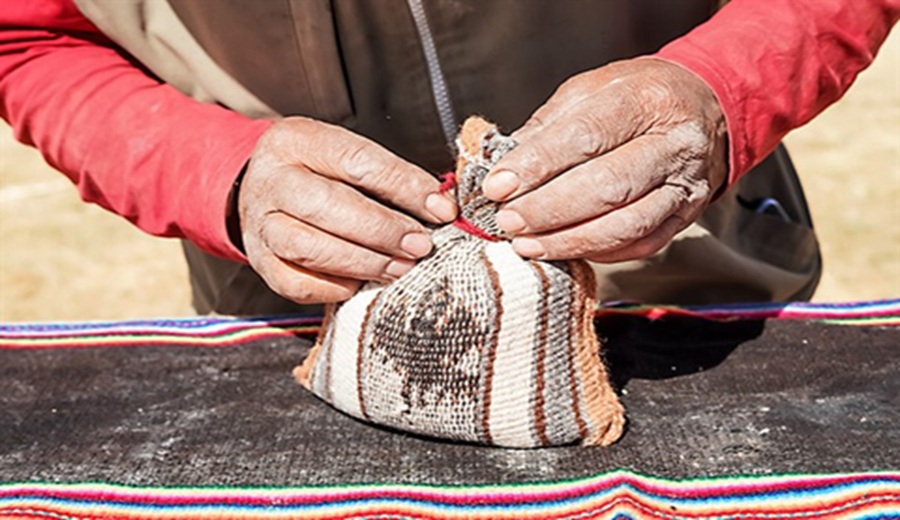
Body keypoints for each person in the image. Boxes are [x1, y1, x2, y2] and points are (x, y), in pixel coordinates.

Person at [1, 0, 897, 316]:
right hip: (297, 323)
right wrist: (216, 174)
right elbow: (27, 40)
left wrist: (719, 89)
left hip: (695, 289)